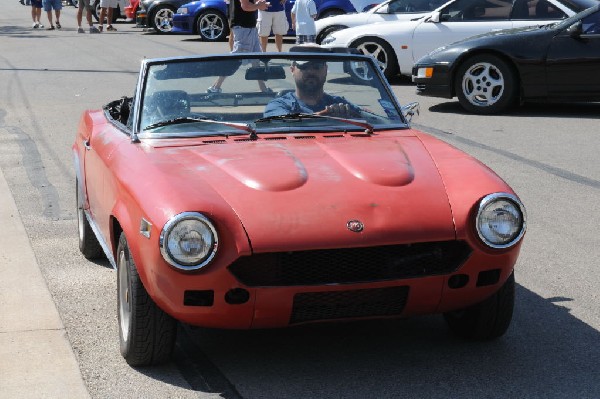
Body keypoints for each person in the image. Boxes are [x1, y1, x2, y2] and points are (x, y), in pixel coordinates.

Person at [207, 0, 271, 93]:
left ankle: (263, 88)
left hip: (249, 28)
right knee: (235, 59)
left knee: (256, 58)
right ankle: (215, 87)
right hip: (243, 28)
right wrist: (258, 5)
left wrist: (259, 3)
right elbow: (245, 6)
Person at [264, 59, 361, 118]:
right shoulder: (278, 105)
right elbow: (278, 122)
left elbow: (371, 119)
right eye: (304, 66)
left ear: (326, 69)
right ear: (292, 70)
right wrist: (324, 117)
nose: (311, 71)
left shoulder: (340, 105)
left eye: (317, 66)